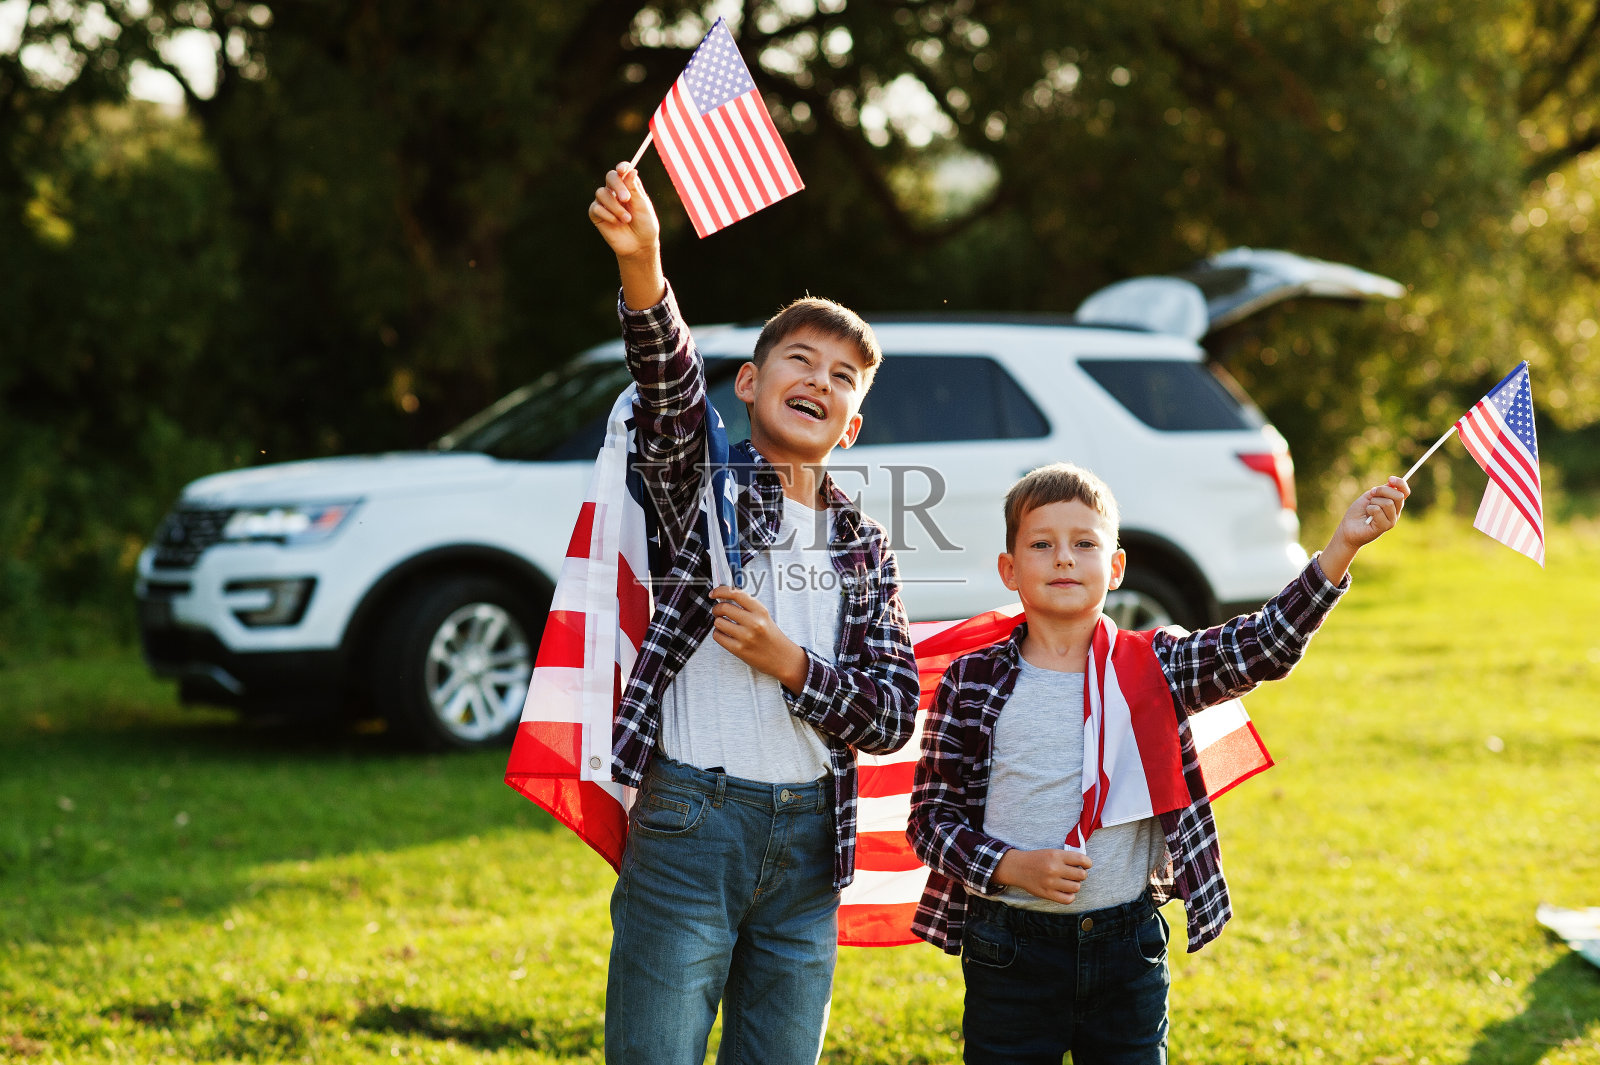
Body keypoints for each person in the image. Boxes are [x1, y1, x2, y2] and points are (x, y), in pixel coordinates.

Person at [907, 461, 1409, 1064]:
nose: (1064, 558)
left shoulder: (1154, 665)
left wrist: (1341, 548)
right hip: (1009, 947)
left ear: (1116, 567)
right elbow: (930, 820)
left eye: (1084, 543)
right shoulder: (972, 680)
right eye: (1042, 544)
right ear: (1009, 570)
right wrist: (1011, 866)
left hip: (1126, 945)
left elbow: (1261, 646)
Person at [586, 161, 920, 1065]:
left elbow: (894, 713)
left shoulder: (865, 545)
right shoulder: (701, 488)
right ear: (749, 383)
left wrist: (792, 663)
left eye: (843, 376)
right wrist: (645, 263)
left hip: (814, 843)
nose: (819, 379)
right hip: (693, 819)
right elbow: (667, 388)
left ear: (850, 424)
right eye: (800, 360)